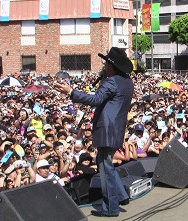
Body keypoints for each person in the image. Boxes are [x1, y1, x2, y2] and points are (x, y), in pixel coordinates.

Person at [57, 47, 133, 217]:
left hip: (106, 128)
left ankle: (111, 208)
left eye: (106, 63)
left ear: (111, 65)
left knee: (105, 168)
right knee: (106, 164)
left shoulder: (111, 82)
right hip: (117, 128)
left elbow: (95, 99)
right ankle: (121, 195)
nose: (104, 66)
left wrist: (71, 92)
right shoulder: (127, 81)